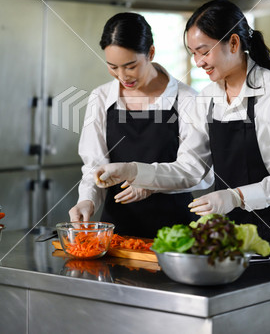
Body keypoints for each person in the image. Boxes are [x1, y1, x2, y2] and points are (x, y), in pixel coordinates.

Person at [94, 0, 270, 257]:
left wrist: (237, 196)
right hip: (227, 237)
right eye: (193, 53)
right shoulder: (207, 98)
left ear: (234, 43)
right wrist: (133, 170)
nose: (198, 61)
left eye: (204, 51)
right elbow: (190, 169)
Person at [69, 12, 210, 238]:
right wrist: (87, 200)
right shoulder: (101, 97)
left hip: (176, 235)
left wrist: (151, 182)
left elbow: (199, 172)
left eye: (130, 65)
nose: (122, 76)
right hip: (116, 234)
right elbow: (95, 166)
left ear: (151, 53)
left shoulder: (187, 100)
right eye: (113, 67)